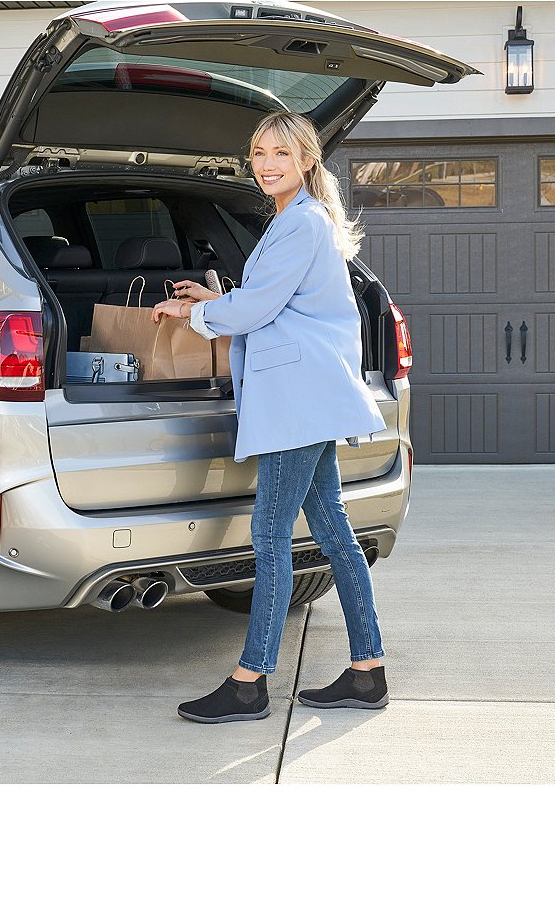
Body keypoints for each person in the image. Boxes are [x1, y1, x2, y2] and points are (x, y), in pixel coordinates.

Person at [151, 110, 390, 723]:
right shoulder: (291, 222)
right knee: (333, 531)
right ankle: (368, 672)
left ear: (306, 159)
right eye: (258, 152)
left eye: (279, 153)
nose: (265, 163)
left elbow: (257, 309)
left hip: (297, 400)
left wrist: (198, 316)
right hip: (304, 397)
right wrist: (215, 300)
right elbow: (274, 302)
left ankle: (250, 681)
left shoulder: (301, 223)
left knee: (271, 536)